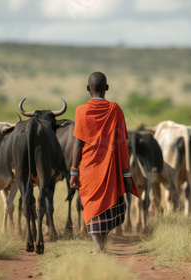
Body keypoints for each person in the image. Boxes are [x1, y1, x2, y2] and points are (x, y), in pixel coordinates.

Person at [70, 71, 139, 253]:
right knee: (108, 203)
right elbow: (122, 142)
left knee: (92, 205)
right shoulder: (115, 109)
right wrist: (126, 173)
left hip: (88, 168)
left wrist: (73, 171)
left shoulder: (80, 111)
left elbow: (77, 143)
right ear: (107, 88)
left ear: (88, 89)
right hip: (110, 167)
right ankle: (101, 245)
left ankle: (97, 246)